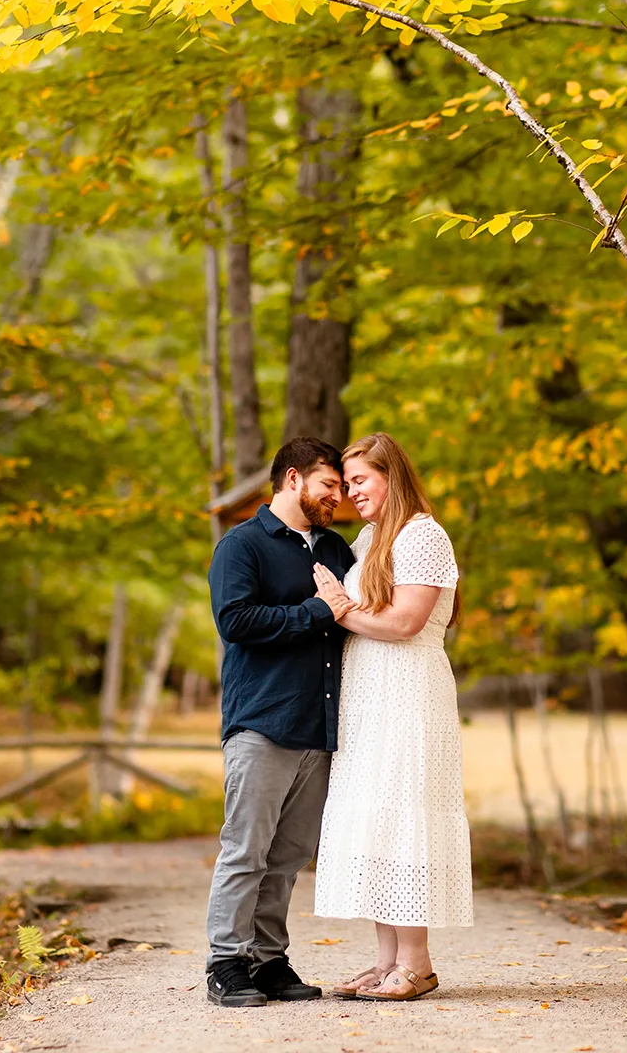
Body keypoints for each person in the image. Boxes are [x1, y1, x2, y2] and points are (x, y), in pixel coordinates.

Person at [309, 431, 470, 1002]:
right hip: (367, 697)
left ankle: (417, 962)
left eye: (360, 480)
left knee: (404, 817)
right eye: (346, 483)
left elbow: (404, 623)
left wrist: (340, 609)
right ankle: (385, 961)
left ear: (392, 476)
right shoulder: (374, 537)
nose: (352, 493)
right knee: (376, 820)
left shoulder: (423, 535)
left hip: (409, 694)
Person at [203, 436, 358, 1008]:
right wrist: (319, 611)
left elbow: (355, 618)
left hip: (319, 725)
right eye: (328, 486)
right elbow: (236, 620)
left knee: (288, 857)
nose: (336, 497)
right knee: (245, 850)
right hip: (262, 721)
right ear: (293, 479)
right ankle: (226, 962)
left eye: (341, 489)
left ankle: (267, 961)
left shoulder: (336, 549)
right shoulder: (241, 545)